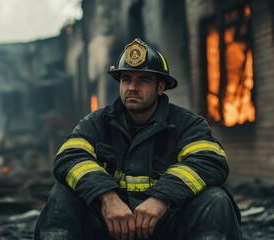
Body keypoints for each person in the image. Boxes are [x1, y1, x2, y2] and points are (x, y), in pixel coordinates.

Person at [34, 38, 242, 240]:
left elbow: (210, 161)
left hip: (165, 226)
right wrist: (107, 198)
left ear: (160, 87)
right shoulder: (98, 122)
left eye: (143, 80)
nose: (132, 87)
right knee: (62, 194)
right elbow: (69, 156)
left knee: (216, 199)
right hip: (111, 227)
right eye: (126, 79)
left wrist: (161, 198)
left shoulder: (187, 124)